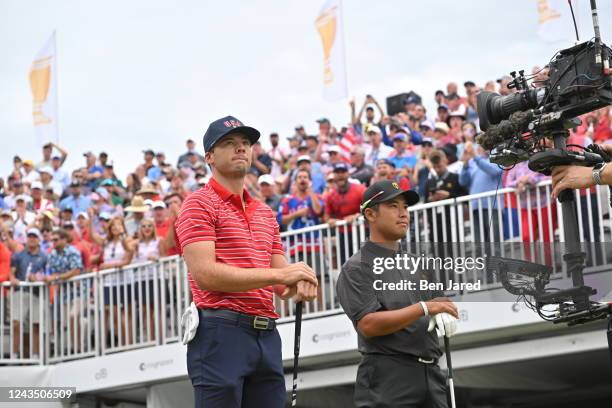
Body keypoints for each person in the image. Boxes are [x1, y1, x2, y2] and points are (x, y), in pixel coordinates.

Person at [176, 115, 318, 408]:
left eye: (245, 143)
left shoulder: (265, 213)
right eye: (229, 143)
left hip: (266, 333)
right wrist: (281, 277)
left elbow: (283, 286)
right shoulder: (197, 203)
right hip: (219, 331)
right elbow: (206, 275)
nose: (241, 148)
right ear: (210, 157)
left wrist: (300, 282)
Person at [336, 180, 459, 408]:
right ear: (371, 214)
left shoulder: (417, 263)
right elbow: (368, 325)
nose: (403, 214)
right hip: (388, 378)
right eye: (393, 206)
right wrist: (424, 308)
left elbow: (438, 301)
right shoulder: (356, 268)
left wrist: (444, 309)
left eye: (406, 207)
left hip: (432, 373)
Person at [9, 228, 47, 359]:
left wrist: (38, 278)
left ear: (38, 239)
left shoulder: (44, 256)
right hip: (21, 292)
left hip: (37, 293)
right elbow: (12, 272)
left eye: (34, 236)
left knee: (36, 324)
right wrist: (12, 279)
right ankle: (14, 354)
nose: (31, 239)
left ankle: (36, 354)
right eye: (30, 236)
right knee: (16, 323)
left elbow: (48, 275)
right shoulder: (18, 255)